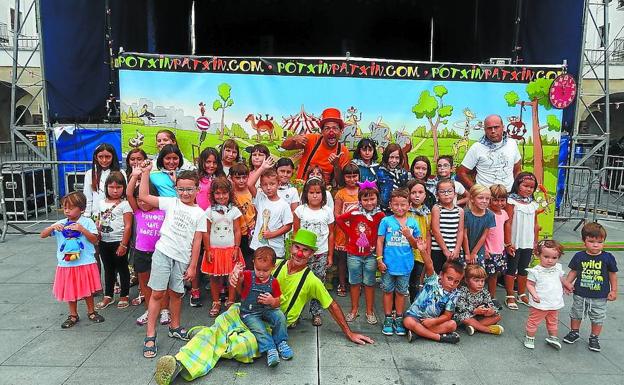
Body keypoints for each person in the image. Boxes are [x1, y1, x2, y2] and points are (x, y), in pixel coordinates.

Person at [154, 229, 374, 385]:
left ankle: (201, 339)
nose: (299, 253)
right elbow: (243, 292)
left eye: (305, 251)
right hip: (246, 312)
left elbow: (332, 305)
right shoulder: (271, 265)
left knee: (242, 347)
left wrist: (349, 332)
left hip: (270, 325)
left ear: (312, 254)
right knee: (220, 325)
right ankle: (180, 364)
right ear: (291, 248)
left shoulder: (312, 280)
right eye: (297, 247)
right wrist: (236, 279)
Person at [139, 162, 206, 358]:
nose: (185, 193)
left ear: (197, 189)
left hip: (182, 259)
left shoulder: (200, 213)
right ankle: (150, 334)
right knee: (158, 294)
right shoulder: (171, 202)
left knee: (177, 294)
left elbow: (197, 241)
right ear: (176, 188)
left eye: (189, 189)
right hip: (163, 253)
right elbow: (143, 196)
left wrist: (193, 266)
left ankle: (174, 326)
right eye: (181, 189)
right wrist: (145, 173)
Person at [40, 191, 105, 328]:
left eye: (70, 208)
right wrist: (52, 227)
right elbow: (43, 235)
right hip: (67, 264)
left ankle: (91, 311)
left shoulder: (87, 222)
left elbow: (95, 240)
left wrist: (82, 229)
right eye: (65, 208)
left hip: (85, 262)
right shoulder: (61, 223)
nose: (67, 211)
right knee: (71, 290)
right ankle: (73, 314)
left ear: (81, 209)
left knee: (87, 290)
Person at [231, 247, 293, 367]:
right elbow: (239, 279)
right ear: (253, 263)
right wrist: (236, 273)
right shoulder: (248, 275)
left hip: (267, 309)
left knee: (280, 316)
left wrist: (271, 301)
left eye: (265, 270)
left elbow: (278, 302)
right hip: (249, 312)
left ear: (273, 267)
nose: (261, 273)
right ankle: (270, 349)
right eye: (258, 269)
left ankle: (281, 342)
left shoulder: (273, 282)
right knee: (259, 328)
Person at [563, 222, 618, 352]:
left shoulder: (608, 257)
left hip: (600, 295)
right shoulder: (579, 256)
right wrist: (567, 284)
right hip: (580, 292)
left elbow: (612, 275)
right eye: (591, 241)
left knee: (598, 317)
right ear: (584, 241)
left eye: (599, 242)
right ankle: (574, 332)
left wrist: (614, 290)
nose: (595, 245)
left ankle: (594, 337)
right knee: (576, 313)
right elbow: (574, 271)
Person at [336, 181, 385, 324]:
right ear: (360, 200)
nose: (369, 202)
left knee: (369, 283)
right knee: (354, 282)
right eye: (365, 199)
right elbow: (339, 219)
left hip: (371, 255)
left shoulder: (380, 215)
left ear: (377, 199)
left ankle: (369, 311)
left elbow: (382, 234)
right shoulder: (355, 213)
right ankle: (354, 309)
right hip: (353, 254)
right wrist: (349, 233)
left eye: (372, 199)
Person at [403, 234, 463, 344]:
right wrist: (422, 250)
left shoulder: (454, 294)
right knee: (408, 322)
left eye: (456, 281)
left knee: (452, 325)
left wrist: (433, 321)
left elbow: (447, 315)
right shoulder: (433, 279)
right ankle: (439, 337)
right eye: (449, 279)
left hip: (431, 321)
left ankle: (419, 333)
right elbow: (429, 264)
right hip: (415, 316)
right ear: (441, 275)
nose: (452, 284)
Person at [377, 188, 421, 336]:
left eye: (403, 205)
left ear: (409, 205)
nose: (399, 208)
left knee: (401, 292)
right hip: (388, 265)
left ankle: (399, 317)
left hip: (405, 265)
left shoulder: (413, 223)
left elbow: (416, 245)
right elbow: (380, 241)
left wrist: (409, 236)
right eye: (396, 204)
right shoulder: (386, 221)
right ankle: (388, 318)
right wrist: (379, 259)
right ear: (390, 205)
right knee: (388, 291)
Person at [127, 166, 166, 326]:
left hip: (160, 252)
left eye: (145, 199)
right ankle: (150, 309)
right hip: (141, 252)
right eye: (139, 199)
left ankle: (164, 310)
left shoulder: (163, 211)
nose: (142, 202)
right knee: (144, 282)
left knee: (162, 283)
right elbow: (129, 194)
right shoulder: (138, 212)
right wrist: (135, 176)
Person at [293, 177, 335, 326]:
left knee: (318, 283)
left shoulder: (327, 211)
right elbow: (296, 232)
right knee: (300, 282)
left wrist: (330, 255)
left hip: (321, 253)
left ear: (323, 194)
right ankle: (296, 312)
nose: (315, 195)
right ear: (306, 194)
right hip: (303, 255)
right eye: (311, 192)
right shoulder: (300, 210)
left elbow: (331, 233)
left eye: (318, 192)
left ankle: (316, 313)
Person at [201, 177, 244, 317]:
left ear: (229, 194)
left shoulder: (234, 211)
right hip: (214, 249)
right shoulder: (209, 211)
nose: (221, 196)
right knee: (214, 277)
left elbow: (237, 230)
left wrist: (236, 248)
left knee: (233, 275)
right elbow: (206, 232)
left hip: (231, 249)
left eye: (224, 193)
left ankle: (231, 301)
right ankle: (216, 301)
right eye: (217, 193)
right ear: (213, 195)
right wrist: (207, 250)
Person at [191, 147, 225, 307]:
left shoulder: (222, 178)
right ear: (202, 162)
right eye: (208, 162)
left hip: (218, 223)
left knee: (218, 254)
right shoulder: (197, 178)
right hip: (199, 221)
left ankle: (220, 286)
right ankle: (195, 289)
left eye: (214, 162)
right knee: (197, 256)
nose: (211, 165)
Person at [282, 107, 351, 186]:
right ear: (322, 131)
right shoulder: (311, 139)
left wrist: (336, 166)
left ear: (341, 131)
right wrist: (294, 138)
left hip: (322, 192)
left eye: (335, 128)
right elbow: (284, 145)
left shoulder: (343, 151)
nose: (331, 132)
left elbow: (341, 183)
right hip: (302, 187)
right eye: (327, 128)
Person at [94, 171, 133, 310]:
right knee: (108, 268)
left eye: (118, 187)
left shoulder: (125, 204)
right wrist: (97, 230)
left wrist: (123, 244)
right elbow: (99, 219)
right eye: (111, 187)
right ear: (106, 187)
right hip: (104, 240)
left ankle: (124, 295)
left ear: (123, 187)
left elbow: (128, 225)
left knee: (122, 268)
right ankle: (108, 295)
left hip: (119, 240)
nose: (115, 190)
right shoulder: (101, 202)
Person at [524, 240, 570, 350]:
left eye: (554, 258)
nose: (550, 260)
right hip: (540, 301)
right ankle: (530, 337)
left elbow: (561, 278)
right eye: (546, 257)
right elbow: (529, 284)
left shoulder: (557, 268)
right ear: (538, 255)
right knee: (534, 321)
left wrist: (567, 284)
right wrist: (534, 294)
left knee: (553, 320)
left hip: (554, 301)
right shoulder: (535, 271)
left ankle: (553, 337)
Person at [457, 114, 522, 191]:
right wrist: (477, 191)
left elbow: (517, 170)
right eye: (489, 128)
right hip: (485, 198)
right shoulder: (477, 147)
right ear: (485, 130)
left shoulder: (512, 143)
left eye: (496, 127)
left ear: (503, 127)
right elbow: (461, 172)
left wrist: (517, 190)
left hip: (508, 194)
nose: (493, 131)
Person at [503, 172, 540, 310]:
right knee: (512, 268)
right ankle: (510, 294)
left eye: (531, 187)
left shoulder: (533, 204)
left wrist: (535, 242)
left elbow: (536, 225)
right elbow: (508, 223)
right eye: (525, 186)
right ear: (517, 185)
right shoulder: (511, 201)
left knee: (524, 268)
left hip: (528, 241)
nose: (528, 189)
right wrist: (508, 242)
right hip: (515, 241)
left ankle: (522, 293)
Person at [247, 164, 293, 259]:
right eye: (264, 184)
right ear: (261, 186)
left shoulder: (283, 205)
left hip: (276, 249)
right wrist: (262, 168)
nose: (268, 188)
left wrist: (272, 234)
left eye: (272, 184)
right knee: (260, 272)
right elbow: (249, 184)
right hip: (258, 247)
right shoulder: (260, 198)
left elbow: (288, 226)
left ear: (278, 184)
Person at [333, 163, 361, 297]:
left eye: (354, 176)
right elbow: (337, 214)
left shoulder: (362, 191)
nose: (352, 179)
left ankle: (355, 283)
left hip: (360, 232)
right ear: (344, 178)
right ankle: (342, 284)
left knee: (357, 259)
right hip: (343, 232)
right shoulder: (340, 193)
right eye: (348, 177)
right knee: (342, 260)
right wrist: (347, 225)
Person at [453, 265, 503, 336]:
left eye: (482, 281)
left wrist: (491, 311)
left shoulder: (484, 292)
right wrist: (474, 310)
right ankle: (487, 330)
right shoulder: (463, 291)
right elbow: (460, 307)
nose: (480, 284)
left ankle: (474, 327)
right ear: (467, 280)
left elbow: (490, 303)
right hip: (465, 315)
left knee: (498, 316)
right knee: (465, 318)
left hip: (479, 316)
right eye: (476, 281)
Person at [430, 179, 464, 274]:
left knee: (453, 274)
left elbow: (460, 231)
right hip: (438, 249)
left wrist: (457, 249)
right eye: (442, 192)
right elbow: (436, 230)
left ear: (455, 194)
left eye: (449, 191)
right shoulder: (437, 209)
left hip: (454, 250)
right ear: (437, 195)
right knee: (438, 276)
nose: (446, 194)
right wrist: (445, 250)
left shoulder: (460, 211)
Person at [484, 184, 509, 309]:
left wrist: (506, 245)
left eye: (502, 200)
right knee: (482, 276)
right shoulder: (487, 213)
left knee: (494, 275)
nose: (499, 203)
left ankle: (491, 297)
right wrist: (484, 249)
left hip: (499, 250)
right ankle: (480, 298)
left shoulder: (504, 214)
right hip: (488, 250)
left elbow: (501, 231)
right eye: (495, 200)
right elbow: (483, 233)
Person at [406, 179, 431, 302]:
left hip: (420, 253)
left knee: (415, 283)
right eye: (413, 192)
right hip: (405, 252)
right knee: (402, 281)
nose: (417, 195)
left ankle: (413, 309)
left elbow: (428, 234)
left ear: (425, 195)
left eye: (420, 192)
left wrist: (427, 252)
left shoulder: (427, 213)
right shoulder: (404, 212)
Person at [84, 143, 123, 218]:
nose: (104, 160)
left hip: (116, 214)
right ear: (96, 157)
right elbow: (88, 197)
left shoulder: (120, 172)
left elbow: (124, 196)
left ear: (113, 157)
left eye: (108, 157)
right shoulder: (90, 174)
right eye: (100, 157)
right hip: (96, 215)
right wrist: (87, 215)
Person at [461, 184, 495, 268]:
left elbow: (484, 236)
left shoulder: (490, 215)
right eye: (480, 198)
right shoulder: (465, 213)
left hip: (478, 249)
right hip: (464, 248)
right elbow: (464, 235)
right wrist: (468, 253)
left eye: (487, 199)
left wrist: (474, 253)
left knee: (477, 273)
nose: (484, 201)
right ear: (472, 199)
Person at [230, 163, 256, 269]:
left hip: (250, 233)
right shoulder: (230, 194)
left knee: (249, 261)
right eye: (237, 178)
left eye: (244, 177)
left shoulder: (252, 192)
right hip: (235, 233)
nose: (241, 180)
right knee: (235, 262)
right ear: (231, 178)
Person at [376, 143, 410, 212]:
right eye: (391, 157)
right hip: (383, 210)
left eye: (397, 158)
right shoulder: (380, 172)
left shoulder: (403, 173)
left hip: (399, 210)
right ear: (386, 157)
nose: (394, 161)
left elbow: (406, 191)